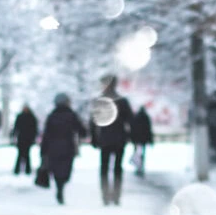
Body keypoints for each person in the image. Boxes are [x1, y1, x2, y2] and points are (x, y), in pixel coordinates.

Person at [89, 75, 132, 205]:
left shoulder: (100, 100)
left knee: (104, 168)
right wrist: (128, 136)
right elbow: (130, 120)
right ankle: (116, 196)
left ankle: (105, 196)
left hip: (105, 139)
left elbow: (93, 122)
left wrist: (94, 138)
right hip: (119, 139)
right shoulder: (122, 101)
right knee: (118, 168)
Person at [40, 93, 86, 204]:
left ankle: (59, 187)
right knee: (66, 169)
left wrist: (43, 149)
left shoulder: (52, 116)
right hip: (68, 147)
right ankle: (61, 185)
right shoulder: (71, 115)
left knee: (56, 169)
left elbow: (46, 134)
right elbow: (81, 130)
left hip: (53, 147)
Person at [11, 103, 39, 175]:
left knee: (27, 154)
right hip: (21, 138)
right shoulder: (20, 117)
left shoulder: (31, 117)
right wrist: (13, 135)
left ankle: (27, 170)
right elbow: (16, 127)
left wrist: (33, 137)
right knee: (20, 154)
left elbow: (34, 129)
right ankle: (18, 170)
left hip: (28, 139)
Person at [130, 104, 154, 177]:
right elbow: (148, 130)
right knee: (142, 154)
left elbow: (133, 129)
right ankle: (141, 166)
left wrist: (132, 138)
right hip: (143, 139)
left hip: (136, 139)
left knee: (136, 153)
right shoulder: (146, 118)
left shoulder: (136, 117)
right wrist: (150, 140)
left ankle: (137, 166)